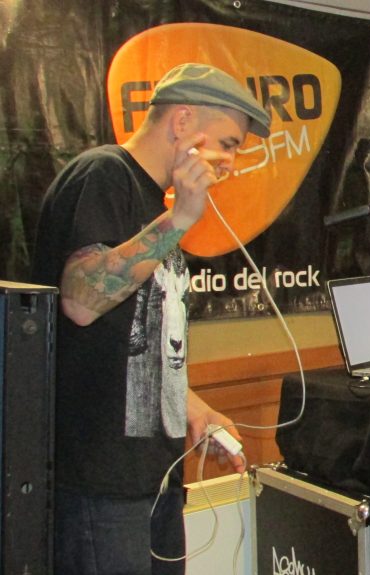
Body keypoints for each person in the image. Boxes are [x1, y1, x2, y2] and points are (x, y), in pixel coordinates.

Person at [30, 63, 272, 575]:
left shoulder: (154, 204)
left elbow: (133, 343)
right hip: (101, 486)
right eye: (227, 144)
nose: (230, 163)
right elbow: (81, 301)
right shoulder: (103, 175)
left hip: (154, 480)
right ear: (182, 121)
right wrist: (180, 218)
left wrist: (195, 408)